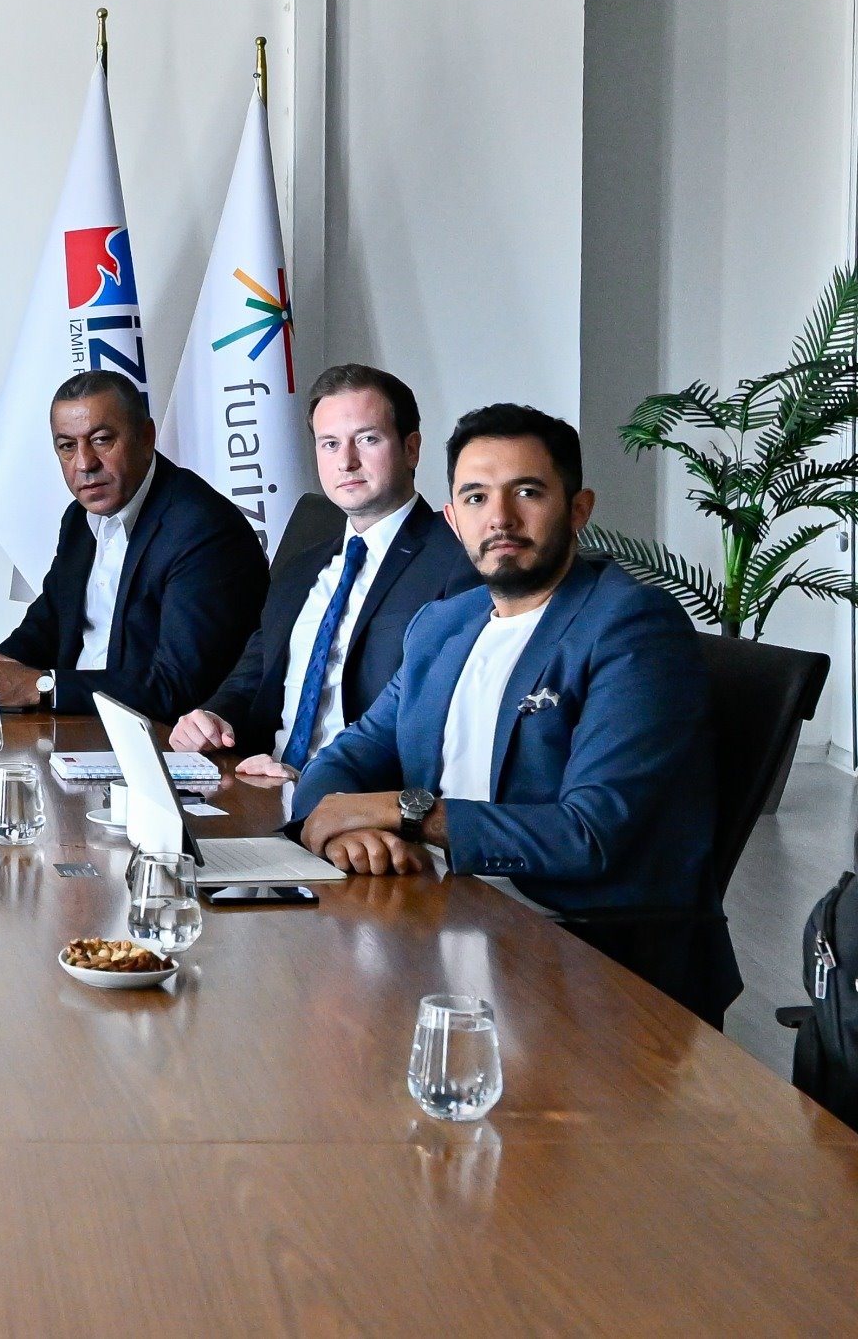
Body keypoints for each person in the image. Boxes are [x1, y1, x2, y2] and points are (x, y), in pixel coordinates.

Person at [290, 404, 734, 1016]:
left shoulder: (631, 626)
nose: (499, 517)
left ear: (578, 509)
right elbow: (343, 763)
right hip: (446, 920)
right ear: (452, 519)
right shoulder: (444, 625)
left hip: (587, 962)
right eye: (475, 497)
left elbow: (590, 835)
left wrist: (403, 814)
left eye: (527, 492)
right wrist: (351, 832)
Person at [170, 364, 481, 779]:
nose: (346, 462)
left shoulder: (459, 559)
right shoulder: (301, 567)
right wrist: (213, 718)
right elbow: (255, 674)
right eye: (330, 444)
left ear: (411, 449)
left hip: (360, 797)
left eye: (367, 439)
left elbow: (439, 719)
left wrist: (317, 783)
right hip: (265, 781)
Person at [0, 371, 266, 720]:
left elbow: (176, 688)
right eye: (67, 446)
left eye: (102, 440)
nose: (84, 463)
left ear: (146, 437)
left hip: (158, 739)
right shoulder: (79, 518)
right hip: (76, 724)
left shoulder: (202, 530)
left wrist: (43, 686)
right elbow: (48, 625)